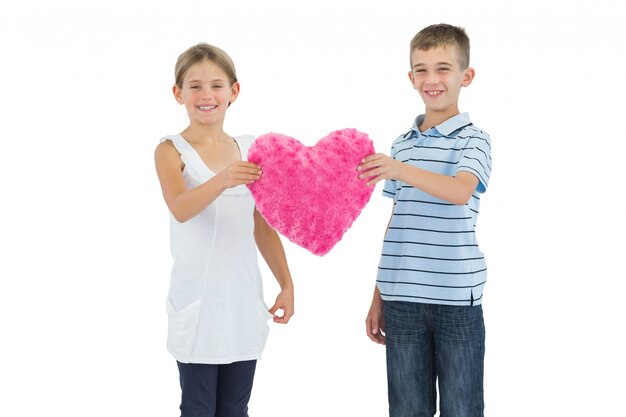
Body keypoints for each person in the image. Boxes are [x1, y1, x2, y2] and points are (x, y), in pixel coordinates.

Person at [358, 24, 492, 417]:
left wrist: (399, 169)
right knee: (406, 408)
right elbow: (398, 223)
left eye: (443, 68)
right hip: (402, 299)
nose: (431, 79)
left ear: (465, 76)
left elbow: (460, 190)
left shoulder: (474, 139)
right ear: (411, 77)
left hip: (456, 300)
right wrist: (378, 294)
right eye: (421, 69)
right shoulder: (402, 144)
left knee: (461, 408)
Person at [154, 43, 294, 417]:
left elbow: (262, 225)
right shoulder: (171, 150)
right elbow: (181, 209)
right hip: (199, 307)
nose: (206, 95)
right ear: (178, 93)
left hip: (242, 305)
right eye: (195, 86)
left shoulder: (250, 149)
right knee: (198, 408)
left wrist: (287, 284)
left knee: (235, 409)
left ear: (233, 92)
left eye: (216, 86)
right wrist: (222, 179)